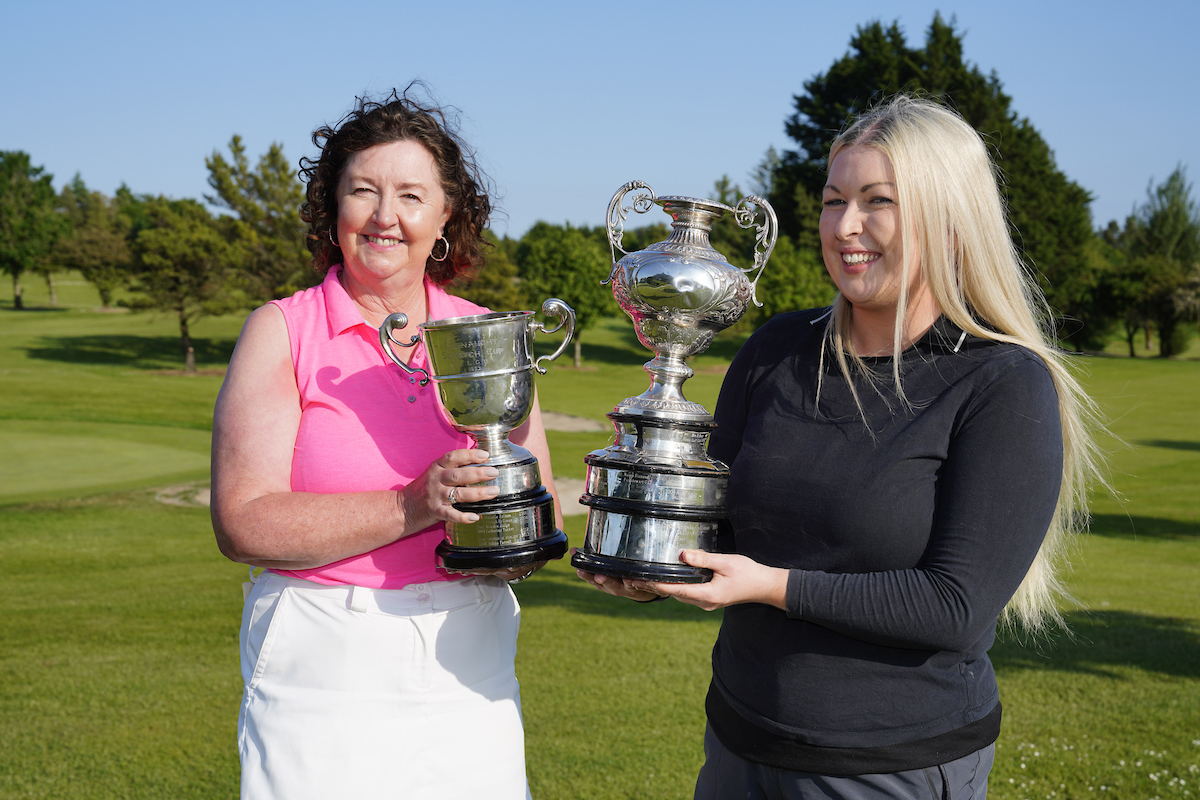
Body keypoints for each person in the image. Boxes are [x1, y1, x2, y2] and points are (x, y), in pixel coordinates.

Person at [577, 94, 1105, 799]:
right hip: (740, 736)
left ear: (950, 221)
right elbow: (717, 530)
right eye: (833, 201)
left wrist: (769, 586)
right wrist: (639, 556)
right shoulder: (773, 352)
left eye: (877, 201)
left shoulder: (1001, 382)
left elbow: (954, 606)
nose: (846, 227)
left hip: (888, 764)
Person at [211, 88, 560, 800]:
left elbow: (541, 504)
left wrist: (512, 537)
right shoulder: (282, 330)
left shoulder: (488, 337)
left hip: (471, 662)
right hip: (321, 664)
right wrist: (413, 504)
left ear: (444, 218)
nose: (384, 216)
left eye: (410, 195)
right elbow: (242, 521)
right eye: (363, 191)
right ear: (332, 209)